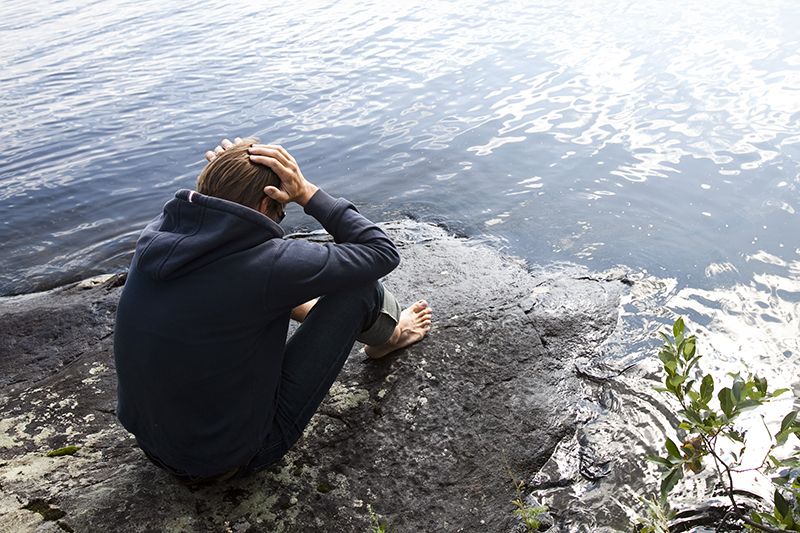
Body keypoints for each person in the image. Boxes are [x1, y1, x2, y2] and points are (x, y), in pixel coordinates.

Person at [114, 138, 432, 484]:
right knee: (360, 289)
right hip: (229, 459)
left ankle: (347, 325)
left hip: (153, 445)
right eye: (281, 212)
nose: (280, 224)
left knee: (260, 293)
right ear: (267, 203)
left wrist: (225, 176)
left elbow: (241, 281)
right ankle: (390, 337)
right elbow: (381, 252)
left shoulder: (155, 236)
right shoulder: (269, 266)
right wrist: (307, 193)